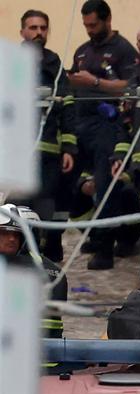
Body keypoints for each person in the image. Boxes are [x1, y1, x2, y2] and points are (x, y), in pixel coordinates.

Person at [67, 0, 139, 270]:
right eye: (85, 25)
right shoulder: (82, 51)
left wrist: (95, 82)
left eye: (93, 25)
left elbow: (131, 87)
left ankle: (107, 246)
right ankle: (94, 233)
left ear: (108, 20)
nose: (89, 30)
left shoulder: (123, 49)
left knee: (105, 183)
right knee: (75, 182)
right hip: (80, 123)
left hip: (106, 125)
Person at [16, 10, 77, 262]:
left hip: (50, 151)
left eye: (43, 28)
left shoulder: (54, 64)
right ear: (22, 32)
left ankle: (50, 252)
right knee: (20, 205)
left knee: (47, 205)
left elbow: (69, 107)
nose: (38, 33)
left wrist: (69, 149)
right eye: (33, 28)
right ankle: (21, 253)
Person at [0, 205, 67, 340]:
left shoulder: (20, 271)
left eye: (16, 234)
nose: (12, 239)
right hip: (52, 356)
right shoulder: (54, 270)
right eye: (6, 233)